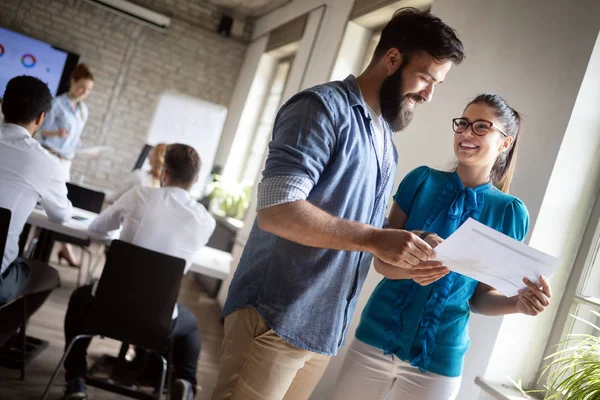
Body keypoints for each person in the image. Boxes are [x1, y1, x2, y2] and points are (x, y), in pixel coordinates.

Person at [212, 8, 465, 400]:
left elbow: (357, 225)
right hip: (274, 316)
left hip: (323, 328)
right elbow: (278, 209)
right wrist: (376, 238)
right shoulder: (320, 108)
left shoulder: (385, 139)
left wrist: (405, 242)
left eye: (438, 84)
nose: (429, 95)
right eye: (426, 78)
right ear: (392, 58)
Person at [332, 94, 553, 400]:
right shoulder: (421, 181)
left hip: (440, 360)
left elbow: (480, 298)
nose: (465, 133)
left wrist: (518, 304)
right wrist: (412, 272)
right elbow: (381, 260)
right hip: (374, 338)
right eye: (462, 124)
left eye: (480, 127)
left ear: (505, 143)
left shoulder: (510, 213)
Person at [60, 143, 215, 400]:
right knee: (191, 327)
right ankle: (186, 383)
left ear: (163, 173)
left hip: (107, 308)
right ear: (196, 179)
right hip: (157, 322)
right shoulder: (205, 221)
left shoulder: (139, 196)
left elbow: (96, 229)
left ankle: (76, 380)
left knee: (80, 299)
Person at [0, 76, 72, 344]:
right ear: (41, 119)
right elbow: (61, 215)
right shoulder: (45, 162)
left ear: (3, 106)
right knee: (47, 274)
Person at [38, 63, 94, 267]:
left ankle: (63, 247)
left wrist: (83, 148)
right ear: (73, 81)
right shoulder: (56, 103)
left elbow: (75, 137)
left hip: (66, 161)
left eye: (88, 90)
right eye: (81, 87)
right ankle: (61, 249)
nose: (83, 93)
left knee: (60, 204)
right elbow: (40, 130)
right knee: (47, 204)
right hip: (50, 156)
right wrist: (56, 133)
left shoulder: (83, 110)